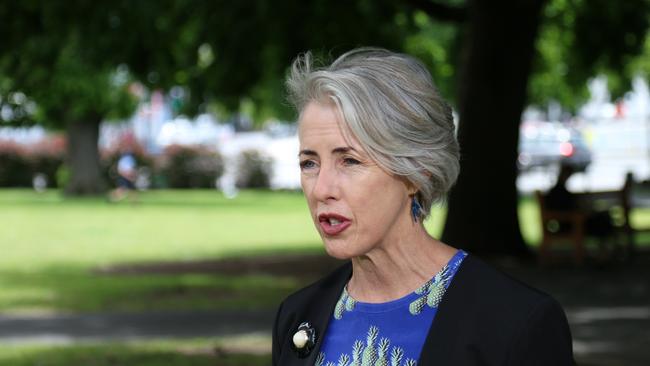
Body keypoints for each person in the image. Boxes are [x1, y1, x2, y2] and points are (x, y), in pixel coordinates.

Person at [272, 48, 574, 366]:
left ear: (417, 172)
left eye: (349, 160)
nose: (321, 189)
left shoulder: (518, 322)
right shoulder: (298, 316)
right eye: (309, 163)